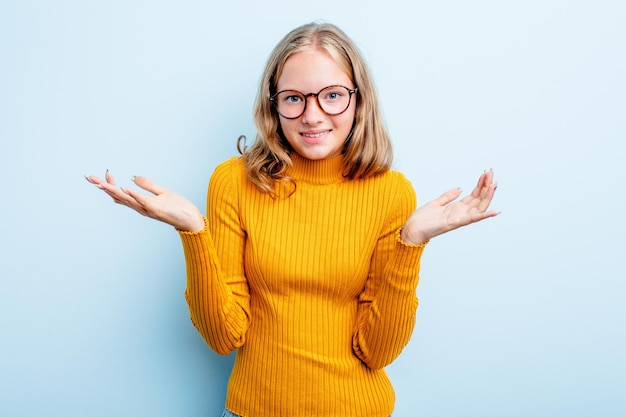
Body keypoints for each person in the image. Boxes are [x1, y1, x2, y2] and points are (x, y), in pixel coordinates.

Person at [86, 22, 498, 417]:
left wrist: (412, 241)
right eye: (294, 98)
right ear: (274, 105)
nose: (313, 115)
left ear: (359, 99)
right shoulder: (233, 182)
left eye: (332, 95)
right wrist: (194, 231)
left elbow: (378, 351)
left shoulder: (391, 192)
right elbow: (223, 337)